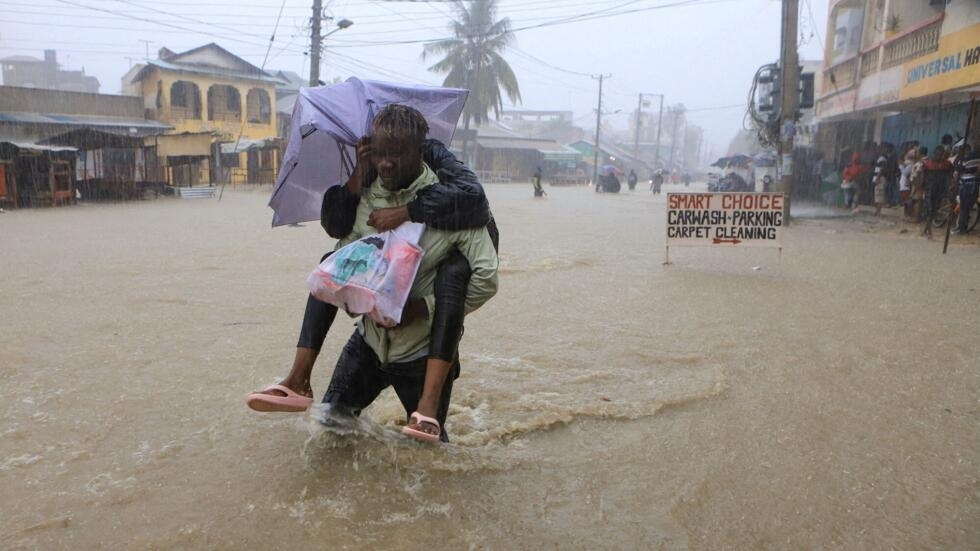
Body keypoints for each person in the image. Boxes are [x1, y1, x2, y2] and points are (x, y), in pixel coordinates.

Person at [248, 105, 499, 443]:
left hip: (421, 351)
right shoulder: (367, 195)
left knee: (427, 453)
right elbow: (348, 251)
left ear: (419, 151)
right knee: (332, 429)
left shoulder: (451, 203)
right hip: (369, 342)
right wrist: (352, 295)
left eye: (396, 154)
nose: (386, 164)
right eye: (380, 154)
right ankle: (297, 379)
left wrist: (421, 308)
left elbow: (486, 279)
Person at [920, 145, 953, 238]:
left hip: (940, 190)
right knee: (929, 210)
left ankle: (926, 229)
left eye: (941, 154)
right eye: (938, 154)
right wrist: (922, 188)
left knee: (934, 210)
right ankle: (928, 230)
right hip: (929, 189)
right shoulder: (927, 164)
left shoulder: (947, 164)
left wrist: (951, 186)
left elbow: (951, 175)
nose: (939, 156)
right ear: (934, 154)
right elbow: (923, 177)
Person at [953, 144, 979, 234]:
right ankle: (962, 227)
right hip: (974, 185)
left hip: (966, 185)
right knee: (966, 207)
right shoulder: (975, 159)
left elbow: (957, 173)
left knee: (964, 207)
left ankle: (961, 228)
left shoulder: (964, 160)